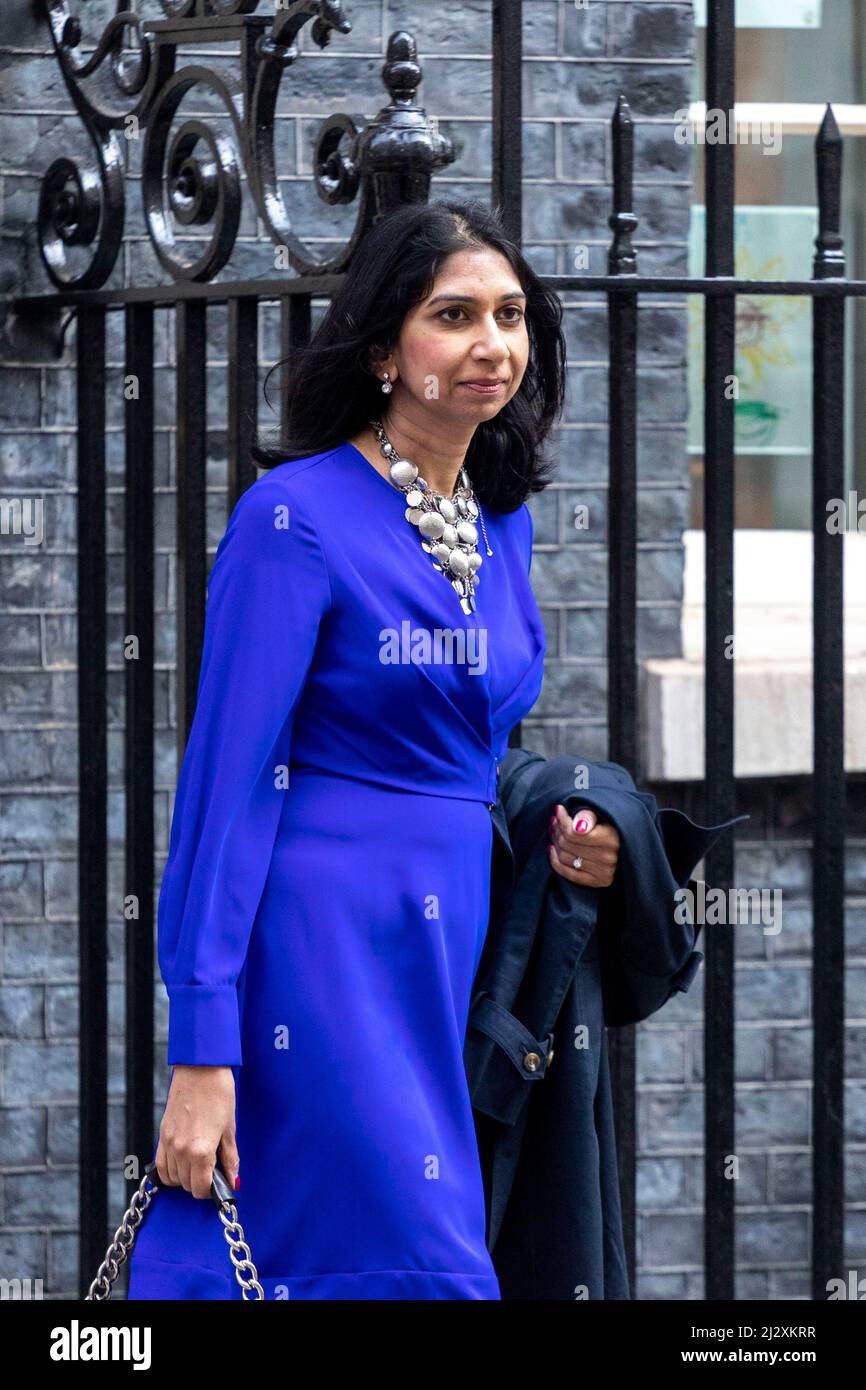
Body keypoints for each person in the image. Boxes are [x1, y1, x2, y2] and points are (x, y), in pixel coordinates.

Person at [126, 198, 621, 1300]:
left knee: (354, 1251)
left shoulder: (500, 523)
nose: (491, 344)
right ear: (383, 350)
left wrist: (571, 835)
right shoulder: (293, 519)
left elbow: (474, 750)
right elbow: (223, 790)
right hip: (322, 944)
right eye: (453, 315)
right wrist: (203, 1047)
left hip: (446, 943)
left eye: (509, 315)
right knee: (421, 1258)